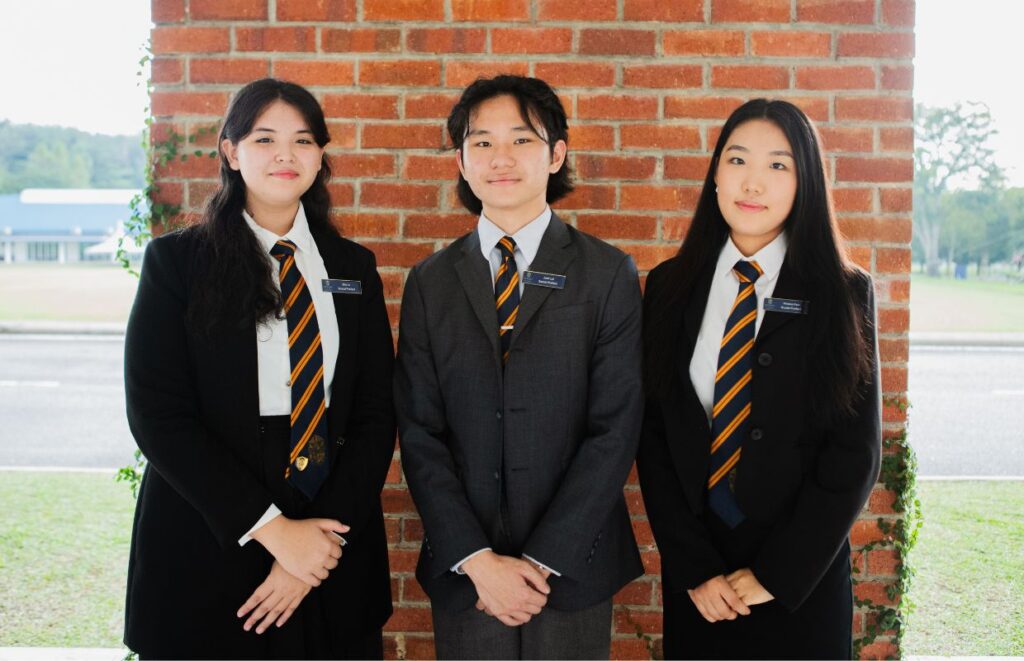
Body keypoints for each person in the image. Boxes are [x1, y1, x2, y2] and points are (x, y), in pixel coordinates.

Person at [123, 78, 395, 659]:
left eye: (303, 140)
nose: (284, 155)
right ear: (231, 152)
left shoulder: (353, 267)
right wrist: (273, 532)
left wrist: (314, 548)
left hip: (331, 526)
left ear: (320, 156)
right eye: (264, 138)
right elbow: (157, 413)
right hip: (210, 524)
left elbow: (375, 411)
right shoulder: (177, 263)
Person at [394, 74, 644, 660]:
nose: (500, 158)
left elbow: (615, 428)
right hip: (468, 573)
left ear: (556, 155)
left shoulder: (608, 273)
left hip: (574, 567)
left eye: (522, 140)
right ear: (461, 161)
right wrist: (478, 561)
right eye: (482, 142)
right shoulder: (430, 283)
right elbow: (420, 431)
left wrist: (542, 560)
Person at [637, 99, 881, 659]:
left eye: (778, 165)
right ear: (715, 175)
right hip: (701, 583)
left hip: (800, 583)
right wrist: (694, 567)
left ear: (804, 182)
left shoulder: (842, 292)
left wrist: (777, 574)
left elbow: (854, 453)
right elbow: (653, 438)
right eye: (737, 160)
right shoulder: (670, 286)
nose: (753, 182)